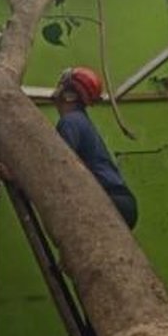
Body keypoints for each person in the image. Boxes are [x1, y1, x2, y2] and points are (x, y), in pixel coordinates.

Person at [52, 66, 138, 229]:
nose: (57, 89)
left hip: (110, 200)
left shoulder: (70, 122)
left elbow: (58, 164)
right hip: (121, 200)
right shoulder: (81, 121)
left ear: (70, 96)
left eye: (62, 85)